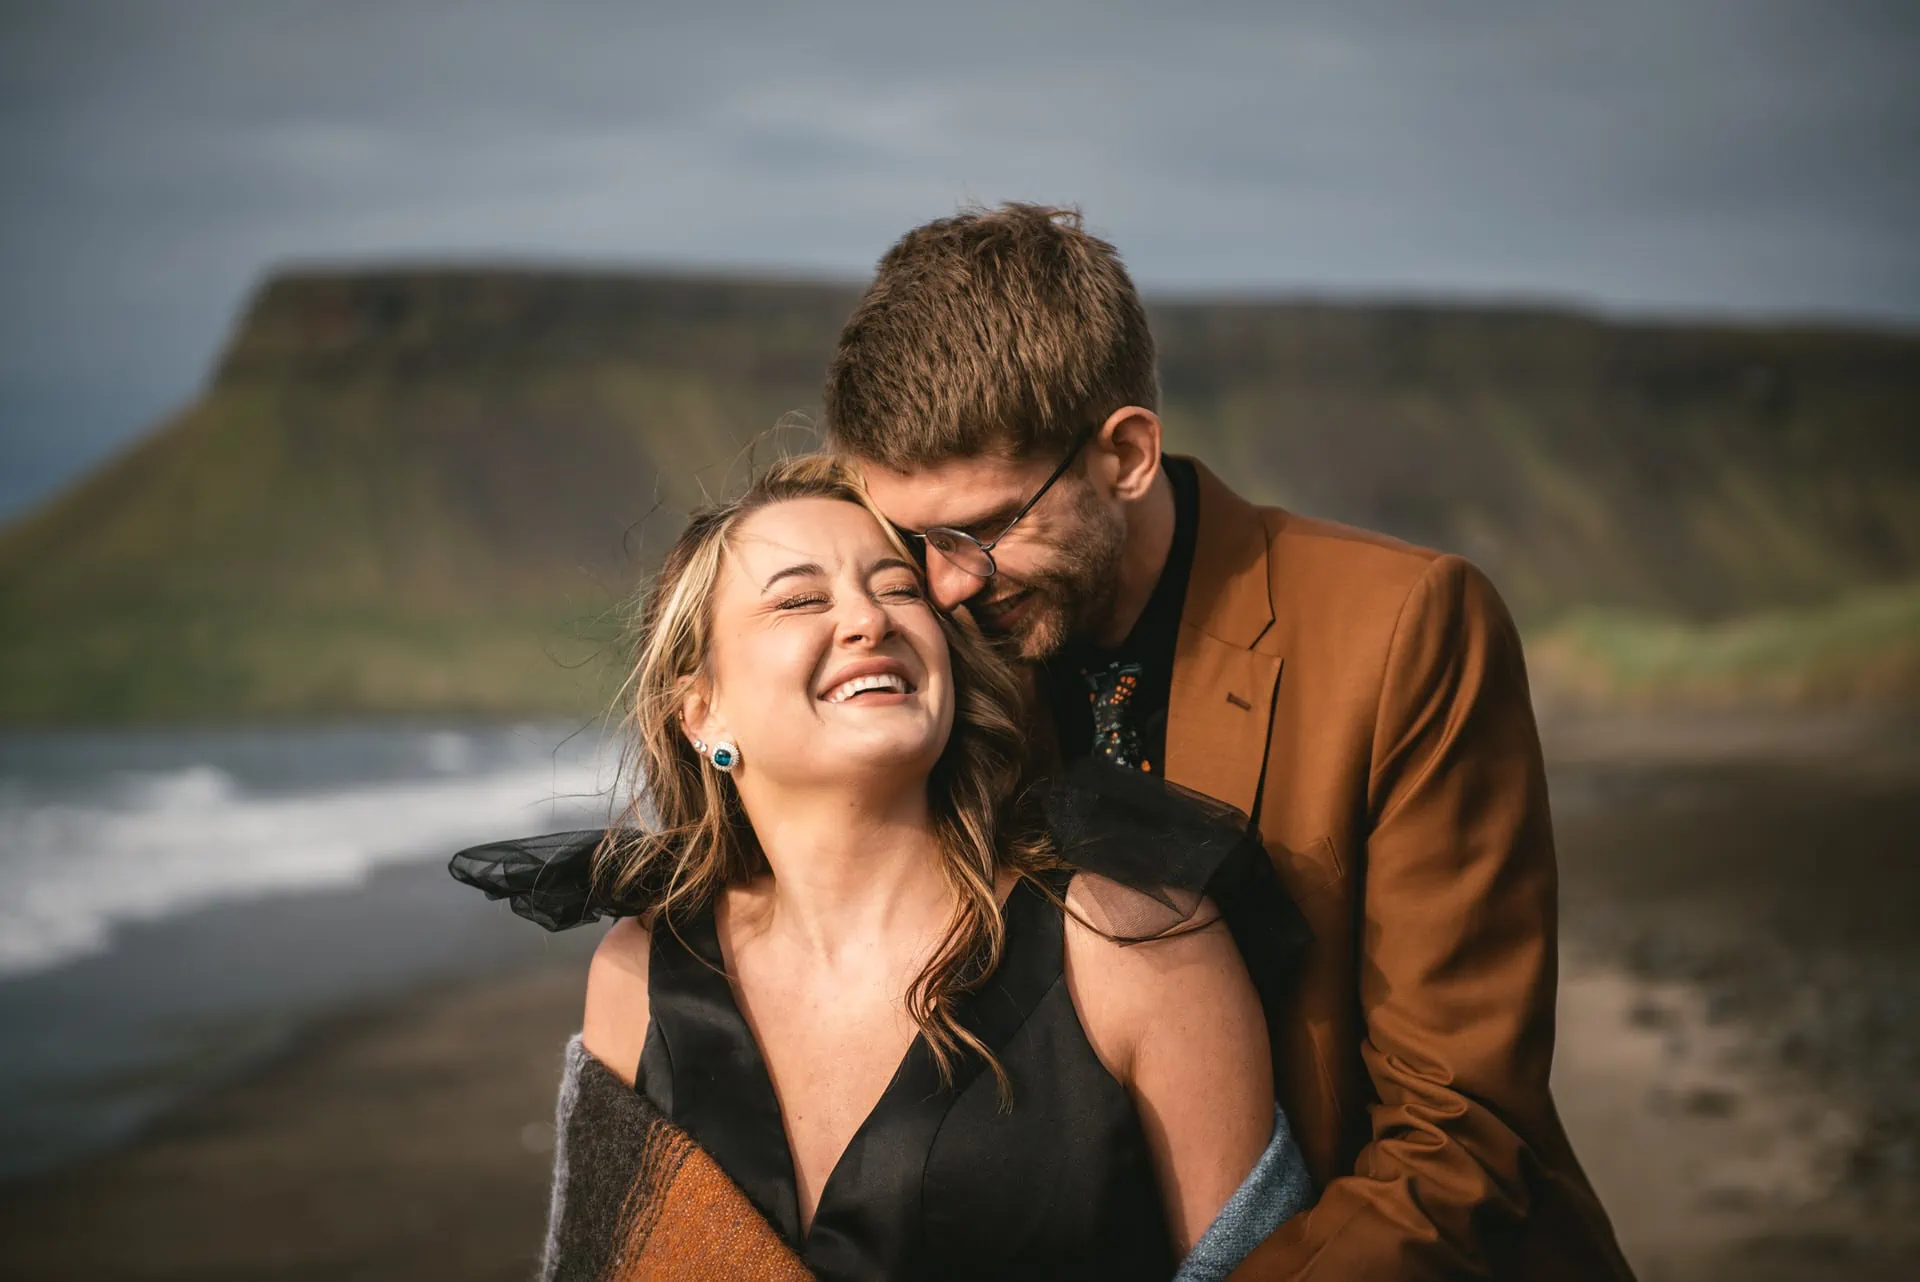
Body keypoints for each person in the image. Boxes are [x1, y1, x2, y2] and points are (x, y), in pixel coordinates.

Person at [824, 204, 1635, 1279]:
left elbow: (1463, 1136)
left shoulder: (1410, 629)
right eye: (913, 539)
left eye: (984, 529)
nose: (947, 585)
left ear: (1125, 453)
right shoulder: (947, 650)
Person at [455, 455, 1314, 1281]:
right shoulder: (639, 976)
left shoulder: (1135, 948)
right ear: (702, 711)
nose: (870, 620)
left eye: (898, 588)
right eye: (799, 600)